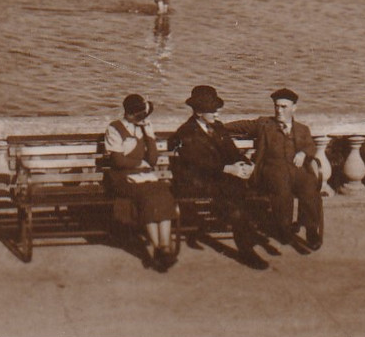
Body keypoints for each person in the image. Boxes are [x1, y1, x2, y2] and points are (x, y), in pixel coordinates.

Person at [170, 85, 267, 269]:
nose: (217, 113)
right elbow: (197, 164)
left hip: (219, 177)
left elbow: (232, 151)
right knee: (235, 197)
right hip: (197, 181)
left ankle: (244, 229)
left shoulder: (218, 128)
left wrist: (246, 164)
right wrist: (228, 169)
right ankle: (246, 251)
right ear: (199, 112)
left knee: (250, 189)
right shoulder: (186, 132)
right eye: (212, 110)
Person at [229, 88, 323, 250]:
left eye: (284, 107)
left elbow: (311, 146)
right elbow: (242, 126)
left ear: (294, 108)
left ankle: (311, 229)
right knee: (281, 190)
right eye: (276, 106)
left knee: (309, 187)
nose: (279, 110)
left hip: (297, 169)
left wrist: (303, 153)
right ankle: (284, 228)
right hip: (272, 168)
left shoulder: (302, 129)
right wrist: (216, 127)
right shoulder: (265, 124)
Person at [103, 94, 179, 271]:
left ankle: (165, 247)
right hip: (121, 177)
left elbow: (152, 160)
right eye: (141, 115)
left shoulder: (144, 128)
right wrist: (139, 163)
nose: (144, 119)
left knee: (163, 193)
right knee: (147, 197)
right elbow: (118, 161)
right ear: (131, 114)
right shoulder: (114, 129)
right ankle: (157, 247)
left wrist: (150, 136)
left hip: (144, 175)